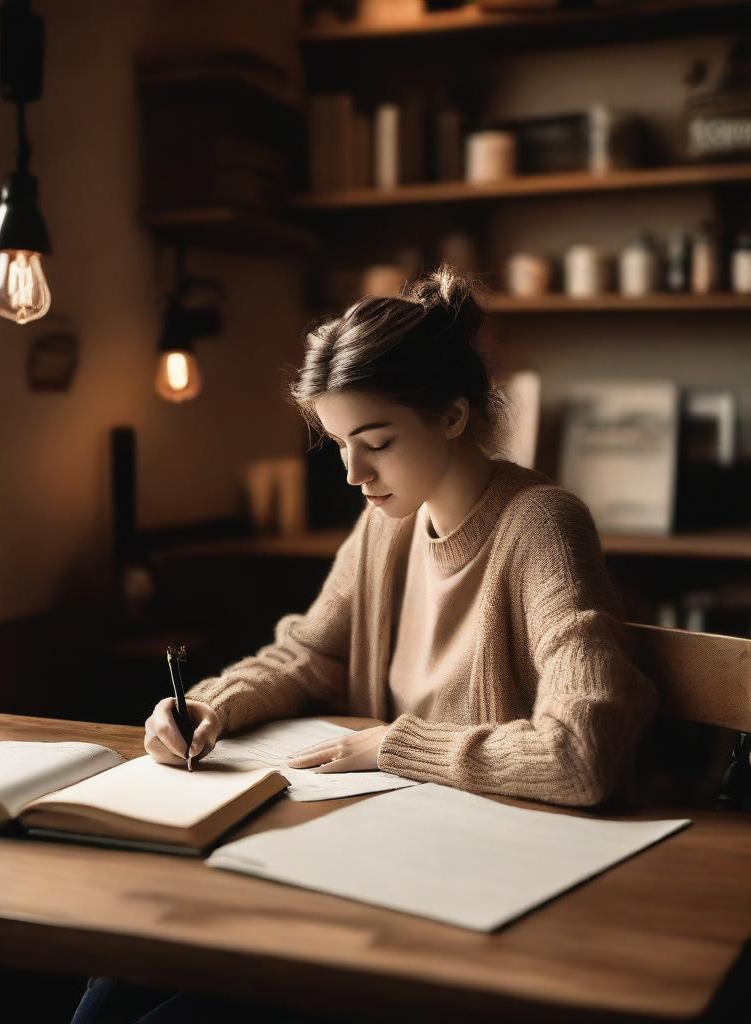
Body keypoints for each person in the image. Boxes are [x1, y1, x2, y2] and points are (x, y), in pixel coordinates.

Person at [71, 266, 658, 1023]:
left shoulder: (542, 523)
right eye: (341, 443)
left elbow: (583, 753)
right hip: (369, 847)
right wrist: (210, 705)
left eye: (375, 442)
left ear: (452, 415)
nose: (352, 473)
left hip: (476, 890)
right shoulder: (386, 522)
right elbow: (309, 652)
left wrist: (392, 747)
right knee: (112, 981)